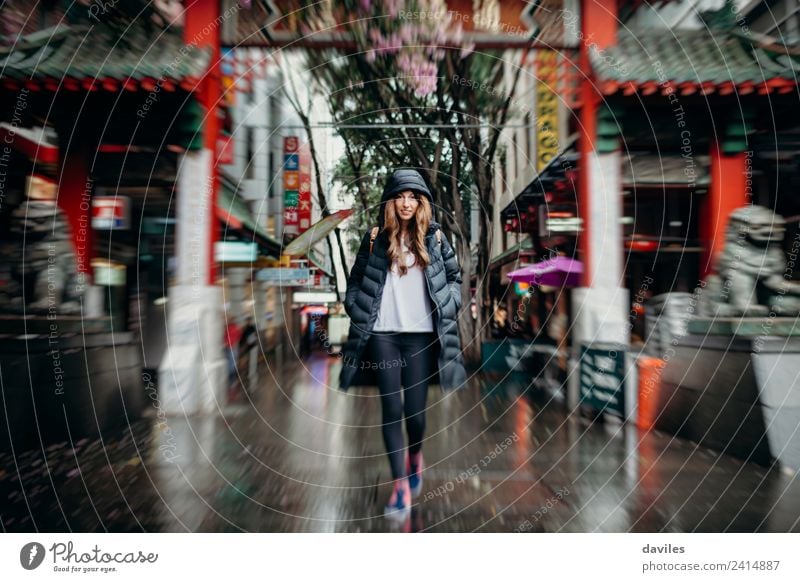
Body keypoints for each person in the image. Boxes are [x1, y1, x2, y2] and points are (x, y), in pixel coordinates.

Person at [339, 169, 467, 519]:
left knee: (416, 412)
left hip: (421, 336)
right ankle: (399, 487)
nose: (407, 202)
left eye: (413, 196)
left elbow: (455, 279)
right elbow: (355, 282)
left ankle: (415, 456)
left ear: (421, 201)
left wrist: (450, 304)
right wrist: (355, 307)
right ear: (391, 200)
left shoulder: (436, 238)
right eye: (400, 196)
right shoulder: (374, 238)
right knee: (391, 409)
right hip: (383, 335)